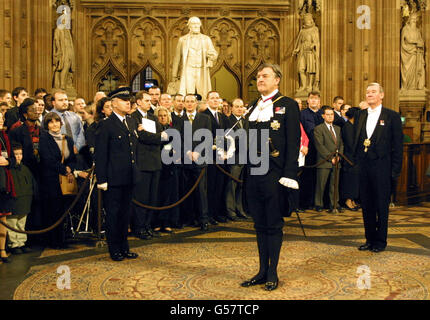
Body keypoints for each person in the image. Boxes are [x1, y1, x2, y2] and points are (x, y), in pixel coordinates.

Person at [241, 63, 301, 291]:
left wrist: (289, 174)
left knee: (273, 224)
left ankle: (273, 271)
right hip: (254, 172)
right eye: (258, 76)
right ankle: (261, 270)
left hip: (275, 174)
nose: (260, 79)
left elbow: (293, 141)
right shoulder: (252, 106)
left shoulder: (288, 105)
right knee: (259, 224)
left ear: (277, 80)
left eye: (265, 76)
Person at [354, 83, 403, 253]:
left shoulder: (392, 116)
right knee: (366, 205)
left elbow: (398, 146)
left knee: (381, 206)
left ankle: (380, 241)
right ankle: (369, 239)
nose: (370, 94)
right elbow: (356, 141)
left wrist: (395, 171)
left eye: (373, 92)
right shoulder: (360, 115)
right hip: (364, 167)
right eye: (367, 92)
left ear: (381, 95)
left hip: (383, 167)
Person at [95, 87, 139, 261]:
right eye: (123, 100)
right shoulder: (106, 125)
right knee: (113, 214)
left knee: (125, 214)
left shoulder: (130, 122)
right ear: (113, 104)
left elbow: (132, 150)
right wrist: (102, 179)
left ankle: (124, 247)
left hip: (128, 176)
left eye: (128, 100)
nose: (128, 102)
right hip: (113, 178)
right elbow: (100, 154)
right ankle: (114, 249)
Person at [39, 112, 77, 249]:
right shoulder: (44, 139)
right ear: (47, 125)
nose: (54, 124)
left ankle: (62, 238)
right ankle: (52, 240)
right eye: (51, 122)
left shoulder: (68, 139)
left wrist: (69, 168)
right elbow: (47, 160)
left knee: (63, 210)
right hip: (50, 180)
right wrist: (64, 169)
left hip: (65, 180)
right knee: (52, 210)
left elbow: (73, 159)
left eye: (57, 121)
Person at [131, 91, 166, 240]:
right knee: (141, 197)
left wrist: (153, 136)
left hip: (155, 162)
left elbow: (163, 136)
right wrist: (155, 137)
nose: (149, 102)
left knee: (152, 197)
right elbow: (141, 137)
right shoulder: (133, 118)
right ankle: (138, 227)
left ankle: (148, 226)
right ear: (138, 102)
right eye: (146, 100)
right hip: (142, 163)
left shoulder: (152, 117)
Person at [182, 94, 211, 231]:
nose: (189, 104)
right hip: (185, 160)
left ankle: (203, 219)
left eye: (192, 102)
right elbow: (177, 138)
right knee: (186, 191)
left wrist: (198, 151)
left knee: (201, 192)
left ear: (196, 103)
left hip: (200, 160)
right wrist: (187, 152)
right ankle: (189, 218)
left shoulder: (204, 118)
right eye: (187, 102)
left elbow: (207, 137)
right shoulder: (179, 119)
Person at [171, 16, 218, 99]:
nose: (196, 26)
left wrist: (211, 55)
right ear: (189, 26)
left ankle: (203, 107)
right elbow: (177, 58)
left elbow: (214, 53)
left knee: (204, 93)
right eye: (193, 24)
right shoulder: (183, 40)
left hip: (201, 68)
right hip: (188, 68)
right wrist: (174, 74)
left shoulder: (206, 39)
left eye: (197, 24)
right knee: (188, 93)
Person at [203, 91, 229, 224]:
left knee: (220, 185)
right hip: (210, 157)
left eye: (217, 98)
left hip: (222, 156)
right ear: (207, 100)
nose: (215, 100)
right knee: (211, 186)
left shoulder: (222, 116)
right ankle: (209, 214)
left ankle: (218, 212)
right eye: (212, 98)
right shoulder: (203, 115)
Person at [154, 106, 181, 233]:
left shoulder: (173, 130)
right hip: (159, 166)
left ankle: (168, 221)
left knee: (170, 195)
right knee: (159, 195)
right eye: (160, 115)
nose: (163, 117)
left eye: (165, 115)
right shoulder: (154, 131)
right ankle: (157, 222)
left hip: (171, 166)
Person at [313, 106, 344, 213]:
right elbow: (320, 146)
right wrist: (330, 158)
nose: (330, 116)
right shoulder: (319, 128)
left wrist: (339, 155)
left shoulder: (338, 128)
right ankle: (318, 204)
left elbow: (341, 144)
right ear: (323, 116)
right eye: (328, 114)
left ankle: (334, 203)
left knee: (334, 184)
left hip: (337, 161)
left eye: (332, 114)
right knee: (321, 184)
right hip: (324, 161)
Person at [7, 143, 35, 254]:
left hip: (25, 198)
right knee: (12, 222)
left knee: (22, 223)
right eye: (16, 154)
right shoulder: (8, 170)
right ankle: (14, 244)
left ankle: (21, 242)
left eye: (20, 154)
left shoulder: (25, 168)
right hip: (14, 199)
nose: (19, 156)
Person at [225, 98, 249, 220]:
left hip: (245, 157)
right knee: (232, 185)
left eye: (241, 107)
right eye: (237, 106)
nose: (240, 109)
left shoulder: (245, 121)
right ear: (232, 108)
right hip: (234, 158)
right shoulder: (229, 122)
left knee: (241, 186)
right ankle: (231, 211)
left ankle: (240, 209)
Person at [299, 91, 323, 210]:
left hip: (321, 151)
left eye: (316, 99)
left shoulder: (323, 114)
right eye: (311, 98)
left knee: (319, 177)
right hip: (307, 149)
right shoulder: (302, 114)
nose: (314, 101)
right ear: (307, 100)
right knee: (306, 177)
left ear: (319, 101)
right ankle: (304, 203)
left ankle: (318, 202)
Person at [0, 111, 16, 263]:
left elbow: (12, 158)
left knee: (3, 216)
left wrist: (8, 161)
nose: (1, 121)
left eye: (2, 118)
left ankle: (2, 250)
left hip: (4, 180)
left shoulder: (5, 136)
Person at [341, 107, 360, 211]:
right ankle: (348, 200)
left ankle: (352, 199)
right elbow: (350, 143)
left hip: (355, 158)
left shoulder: (354, 126)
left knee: (355, 180)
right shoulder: (347, 126)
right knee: (349, 180)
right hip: (349, 158)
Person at [401, 12, 425, 90]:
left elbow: (421, 40)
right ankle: (407, 86)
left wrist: (420, 44)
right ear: (409, 20)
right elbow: (406, 40)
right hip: (408, 53)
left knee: (417, 70)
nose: (414, 21)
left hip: (416, 53)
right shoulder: (406, 29)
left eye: (415, 19)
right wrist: (415, 43)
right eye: (412, 19)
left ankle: (416, 86)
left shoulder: (417, 30)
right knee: (407, 70)